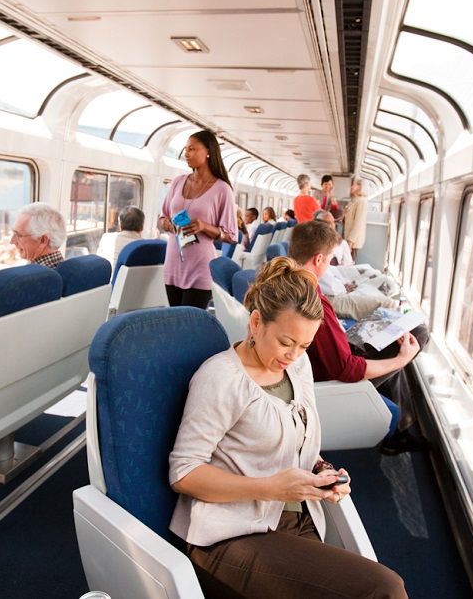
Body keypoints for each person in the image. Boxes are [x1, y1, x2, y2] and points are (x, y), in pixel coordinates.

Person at [169, 257, 408, 598]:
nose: (294, 354)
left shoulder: (298, 367)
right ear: (255, 323)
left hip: (296, 517)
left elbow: (297, 439)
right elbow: (183, 473)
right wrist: (270, 488)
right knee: (384, 589)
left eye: (305, 345)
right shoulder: (220, 378)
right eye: (285, 342)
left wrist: (323, 471)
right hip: (230, 535)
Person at [288, 220, 429, 454]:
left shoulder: (293, 284)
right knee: (418, 332)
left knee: (393, 339)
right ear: (318, 259)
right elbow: (346, 370)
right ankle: (399, 434)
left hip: (323, 361)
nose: (331, 263)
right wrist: (402, 360)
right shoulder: (313, 303)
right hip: (332, 382)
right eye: (331, 259)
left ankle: (399, 433)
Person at [158, 130, 238, 309]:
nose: (186, 154)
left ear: (208, 151)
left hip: (200, 267)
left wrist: (204, 226)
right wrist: (164, 223)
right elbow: (162, 215)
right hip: (173, 263)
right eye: (185, 149)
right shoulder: (178, 182)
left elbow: (231, 235)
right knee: (175, 320)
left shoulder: (222, 189)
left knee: (189, 325)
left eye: (192, 149)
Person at [10, 201, 66, 268]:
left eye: (18, 235)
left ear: (42, 241)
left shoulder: (33, 277)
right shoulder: (66, 268)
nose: (12, 241)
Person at [342, 176, 369, 262]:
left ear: (360, 187)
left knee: (350, 262)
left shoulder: (362, 201)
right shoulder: (355, 200)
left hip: (353, 241)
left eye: (354, 184)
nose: (352, 186)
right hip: (348, 237)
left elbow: (358, 222)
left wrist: (350, 241)